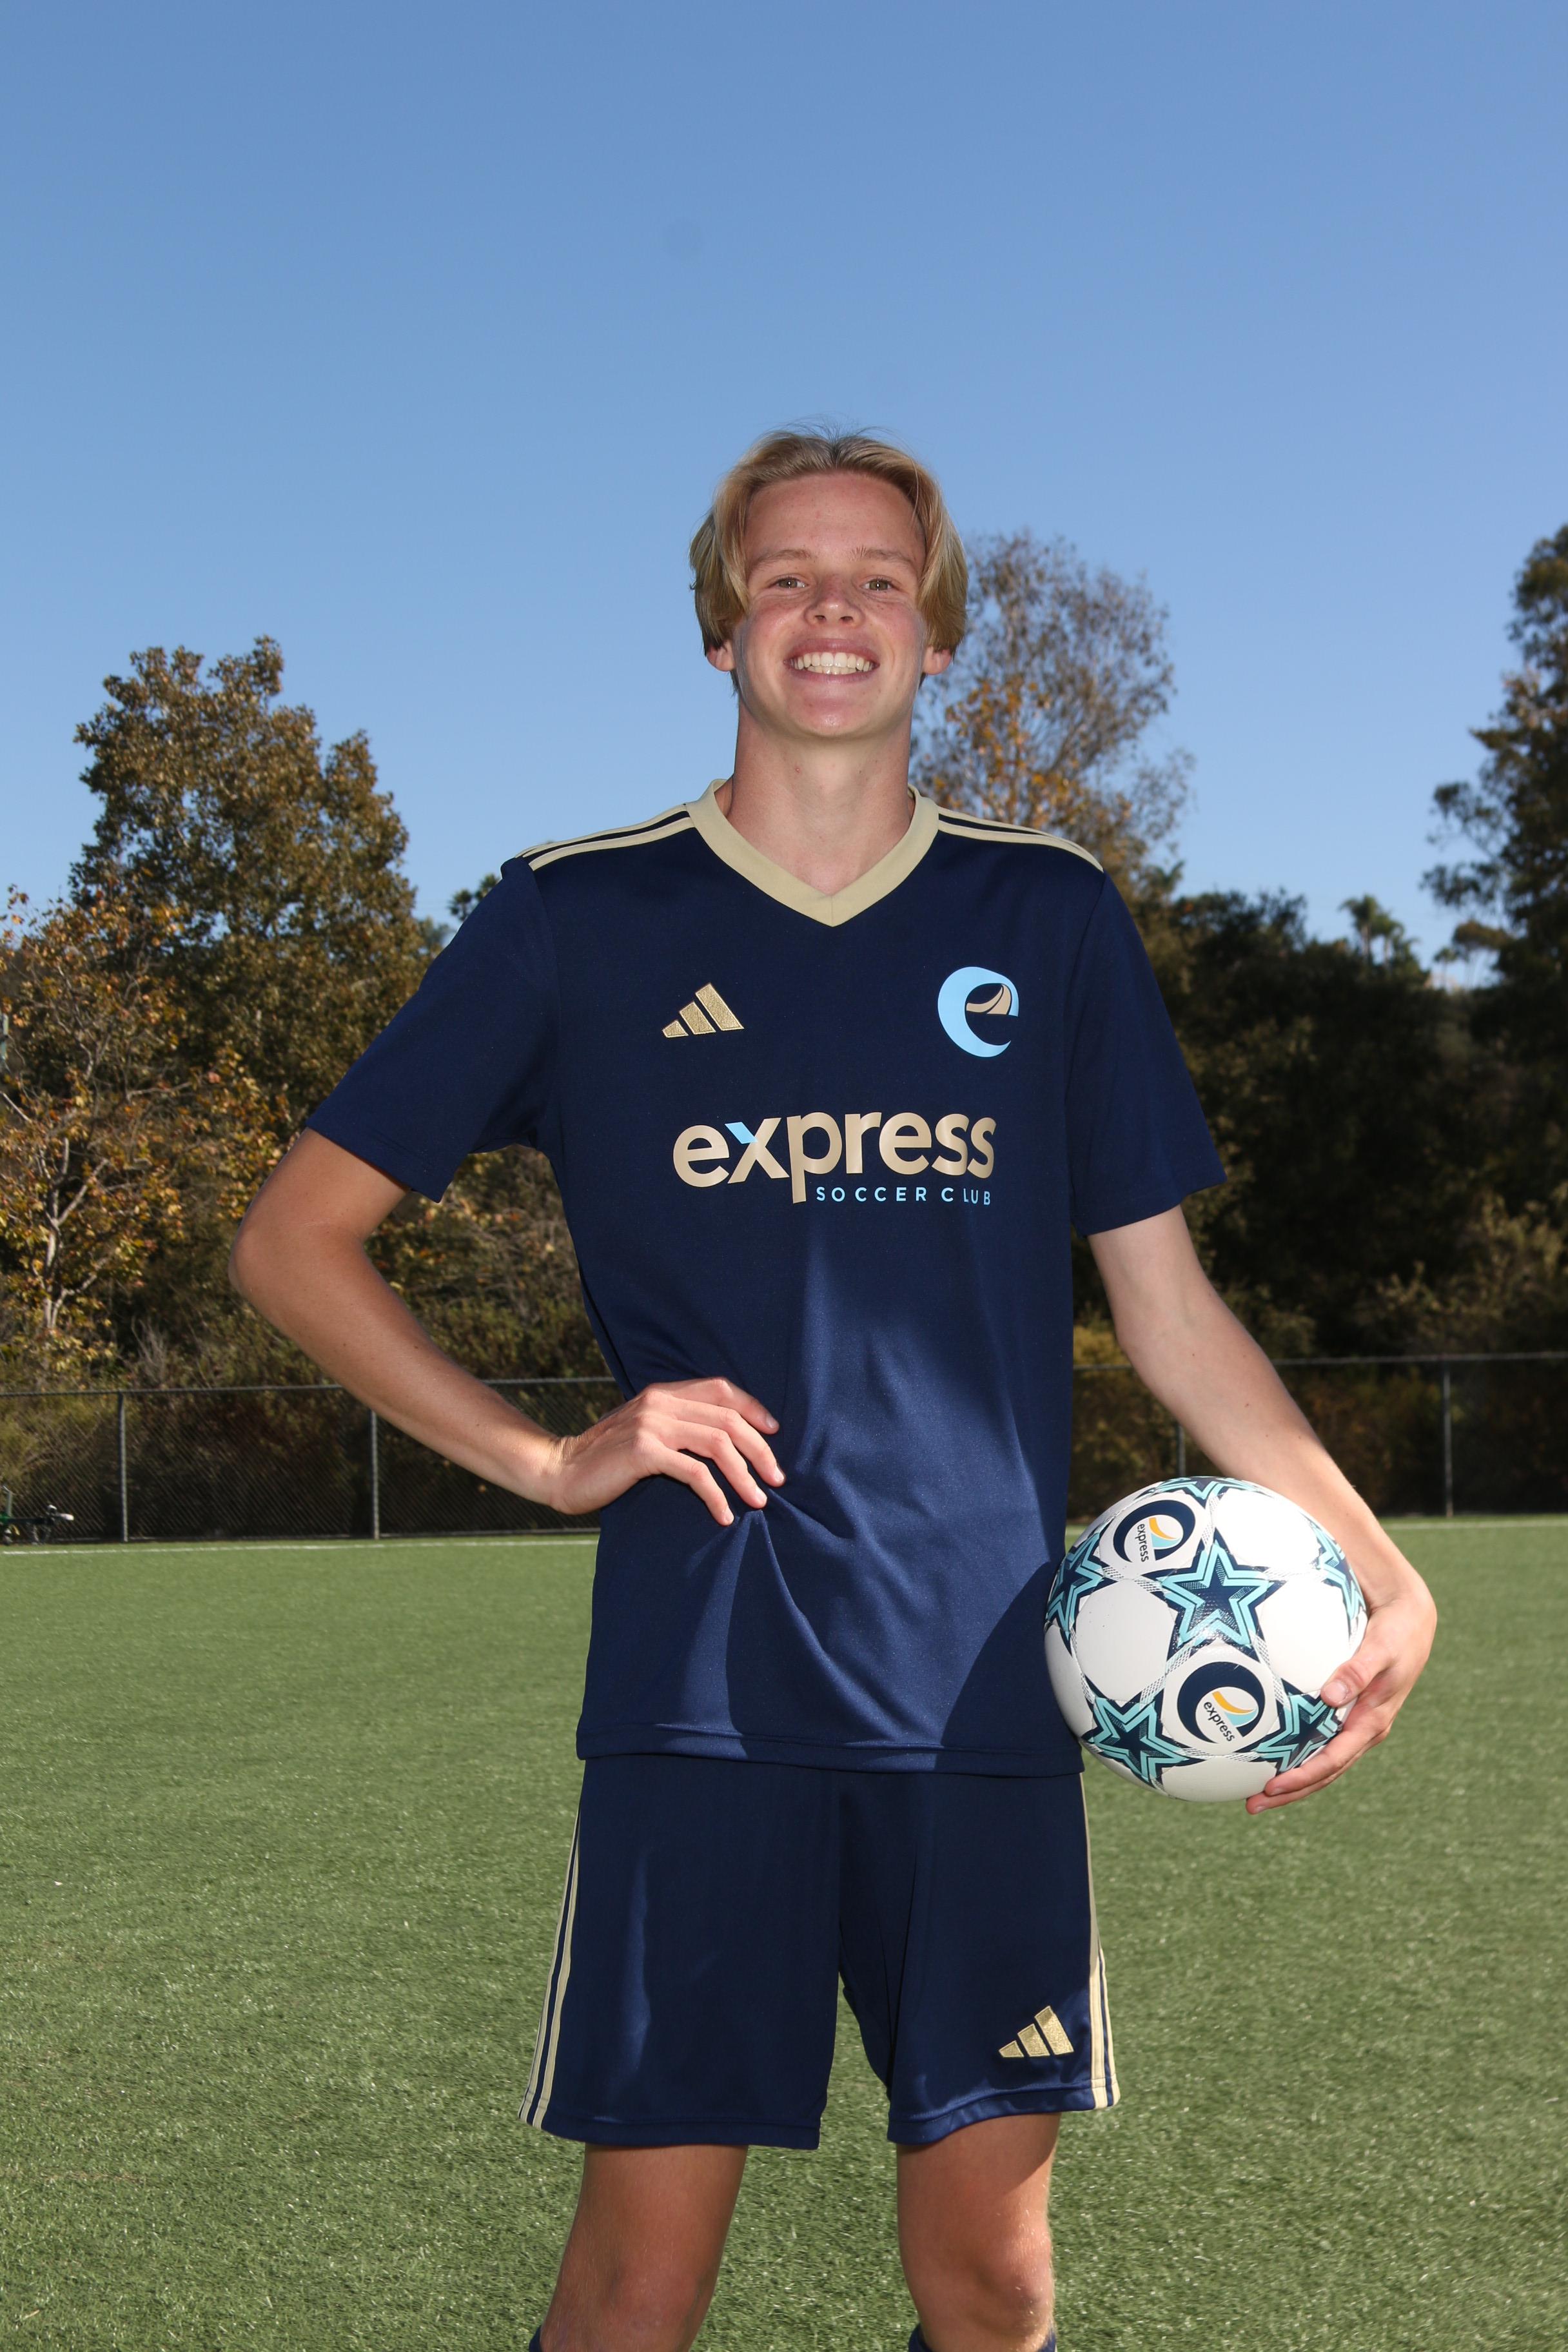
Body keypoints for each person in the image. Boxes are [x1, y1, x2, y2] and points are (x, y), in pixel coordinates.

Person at [229, 429, 1437, 2352]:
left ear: (937, 636)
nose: (831, 610)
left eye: (879, 578)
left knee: (994, 2282)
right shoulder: (577, 916)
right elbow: (295, 1241)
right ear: (722, 626)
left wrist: (1379, 1560)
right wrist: (546, 1456)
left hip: (988, 1688)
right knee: (639, 2284)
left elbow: (1169, 1309)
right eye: (784, 576)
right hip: (706, 1687)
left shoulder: (1048, 920)